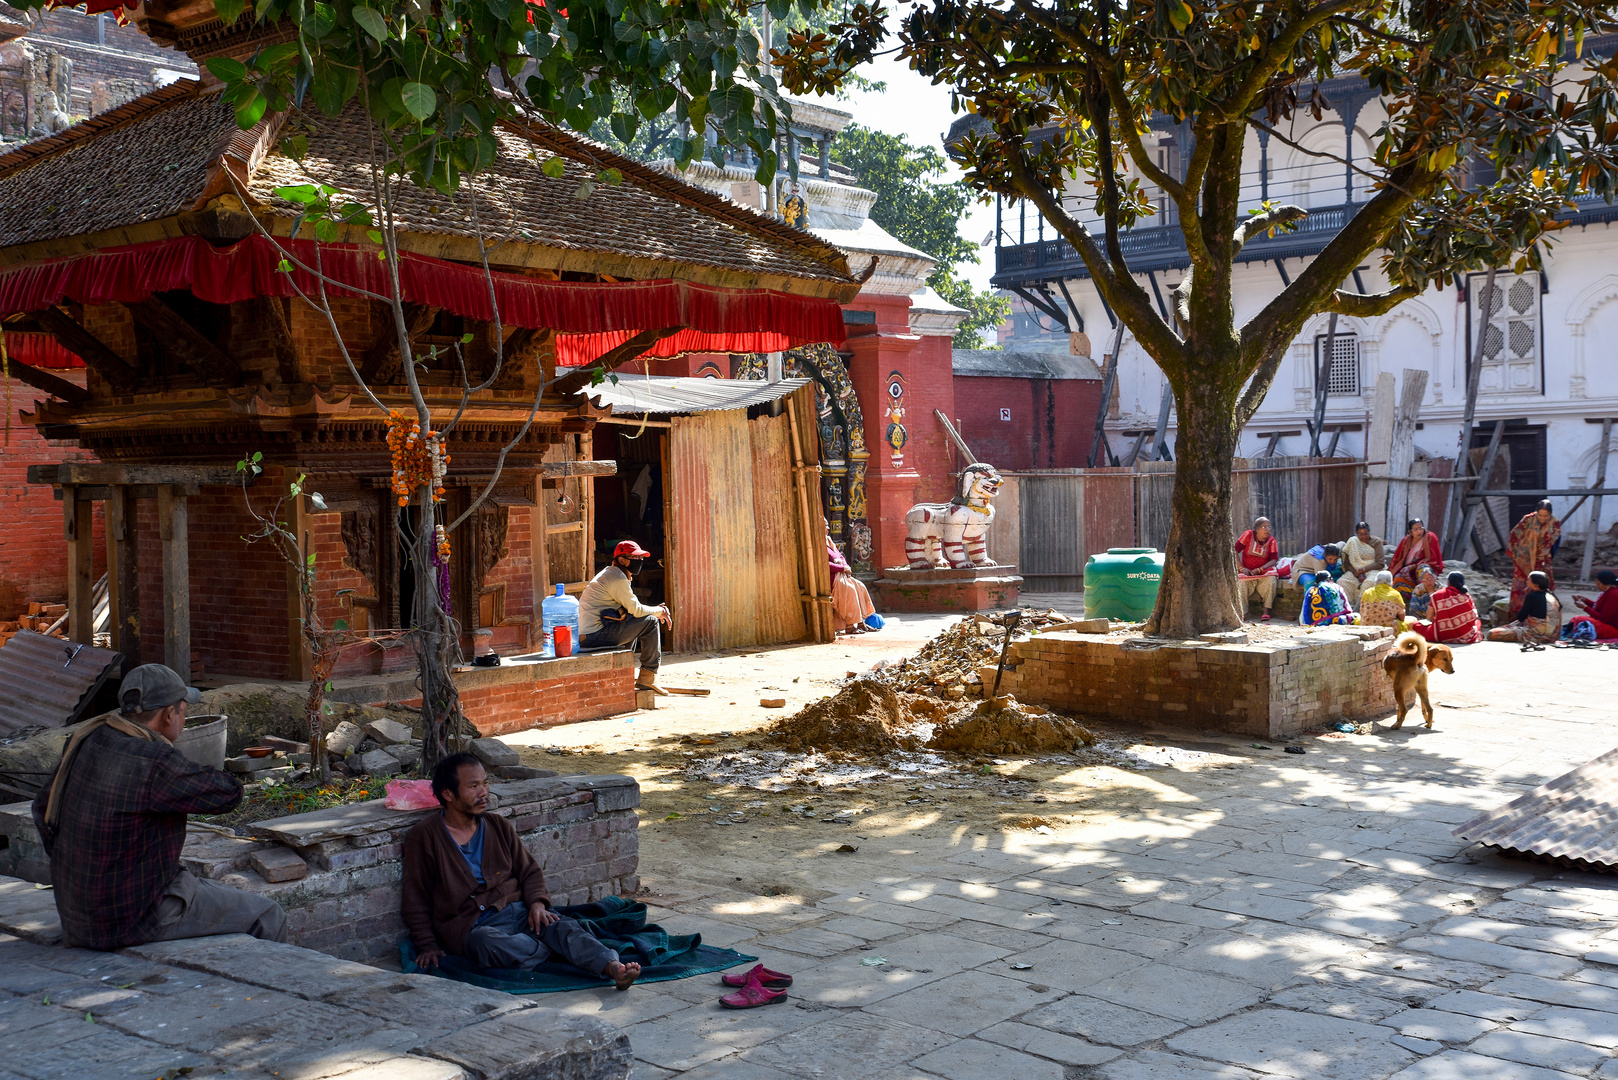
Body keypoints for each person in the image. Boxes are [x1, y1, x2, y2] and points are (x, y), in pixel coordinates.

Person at [31, 664, 287, 950]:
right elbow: (228, 794)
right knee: (268, 915)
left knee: (186, 880)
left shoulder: (88, 738)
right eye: (183, 712)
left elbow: (42, 810)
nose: (184, 719)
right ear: (169, 714)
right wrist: (185, 763)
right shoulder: (153, 760)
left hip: (76, 913)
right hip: (132, 918)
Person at [401, 752, 642, 989]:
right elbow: (416, 897)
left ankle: (613, 968)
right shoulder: (426, 836)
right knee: (486, 943)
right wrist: (427, 945)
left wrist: (537, 904)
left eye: (485, 783)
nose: (483, 792)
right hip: (473, 926)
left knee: (561, 925)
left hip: (518, 911)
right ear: (448, 794)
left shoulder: (497, 826)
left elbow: (529, 871)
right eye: (473, 786)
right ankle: (549, 952)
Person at [580, 540, 673, 695]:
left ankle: (623, 673)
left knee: (633, 621)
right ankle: (648, 676)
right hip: (593, 636)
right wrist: (658, 611)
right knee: (649, 622)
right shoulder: (617, 578)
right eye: (634, 558)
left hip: (590, 635)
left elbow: (633, 610)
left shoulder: (612, 573)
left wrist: (654, 610)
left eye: (640, 558)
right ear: (621, 560)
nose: (639, 561)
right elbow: (636, 609)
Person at [1506, 500, 1562, 619]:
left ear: (1550, 514)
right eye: (1540, 515)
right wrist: (1520, 552)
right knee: (1521, 585)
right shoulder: (1527, 519)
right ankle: (1518, 614)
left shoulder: (1554, 523)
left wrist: (1540, 553)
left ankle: (1544, 612)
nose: (1542, 518)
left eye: (1546, 516)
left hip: (1542, 558)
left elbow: (1553, 540)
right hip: (1524, 559)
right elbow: (1515, 534)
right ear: (1536, 513)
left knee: (1542, 584)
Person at [827, 533, 883, 634]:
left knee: (859, 586)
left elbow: (841, 557)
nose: (827, 528)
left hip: (842, 574)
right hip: (831, 577)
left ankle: (861, 622)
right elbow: (824, 564)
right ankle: (850, 626)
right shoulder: (817, 544)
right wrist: (841, 568)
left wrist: (846, 567)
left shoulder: (829, 541)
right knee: (850, 589)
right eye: (825, 526)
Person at [1488, 569, 1562, 643]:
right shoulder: (1551, 595)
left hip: (1537, 634)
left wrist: (1526, 597)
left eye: (1529, 580)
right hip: (1552, 634)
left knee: (1492, 633)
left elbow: (1521, 617)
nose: (1526, 582)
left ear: (1536, 585)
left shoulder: (1532, 596)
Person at [1411, 571, 1483, 644]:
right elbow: (1473, 616)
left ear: (1448, 582)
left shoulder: (1437, 595)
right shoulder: (1466, 596)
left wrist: (1442, 620)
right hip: (1465, 634)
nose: (1428, 582)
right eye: (1425, 579)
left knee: (1415, 625)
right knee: (1477, 623)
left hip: (1442, 634)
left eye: (1430, 579)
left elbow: (1429, 616)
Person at [1235, 517, 1281, 622]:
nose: (1267, 530)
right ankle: (1243, 612)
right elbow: (1234, 551)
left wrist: (1260, 569)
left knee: (1272, 578)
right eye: (1264, 527)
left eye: (1269, 526)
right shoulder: (1248, 535)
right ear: (1256, 528)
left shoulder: (1271, 541)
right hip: (1247, 571)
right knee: (1240, 582)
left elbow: (1273, 560)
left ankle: (1266, 611)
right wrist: (1241, 568)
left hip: (1262, 571)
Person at [1389, 518, 1442, 600]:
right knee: (1397, 579)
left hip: (1423, 571)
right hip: (1410, 574)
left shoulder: (1430, 537)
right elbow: (1398, 559)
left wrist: (1411, 567)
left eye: (1421, 528)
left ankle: (1427, 592)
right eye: (1415, 529)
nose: (1419, 531)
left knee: (1423, 569)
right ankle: (1417, 596)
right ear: (1410, 531)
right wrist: (1405, 570)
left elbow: (1432, 559)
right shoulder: (1406, 541)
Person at [1338, 521, 1386, 604]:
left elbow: (1380, 563)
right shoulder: (1353, 542)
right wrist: (1355, 572)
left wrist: (1363, 570)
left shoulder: (1376, 542)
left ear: (1369, 532)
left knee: (1369, 582)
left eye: (1366, 533)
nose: (1363, 537)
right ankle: (1349, 605)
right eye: (1360, 534)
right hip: (1355, 570)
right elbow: (1347, 563)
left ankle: (1360, 606)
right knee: (1342, 581)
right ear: (1356, 534)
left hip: (1373, 569)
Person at [1566, 568, 1618, 640]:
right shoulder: (1609, 591)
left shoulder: (1614, 594)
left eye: (1598, 583)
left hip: (1613, 629)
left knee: (1579, 619)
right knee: (1579, 620)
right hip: (1607, 625)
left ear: (1607, 584)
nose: (1597, 586)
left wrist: (1585, 607)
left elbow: (1603, 618)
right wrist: (1585, 600)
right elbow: (1600, 607)